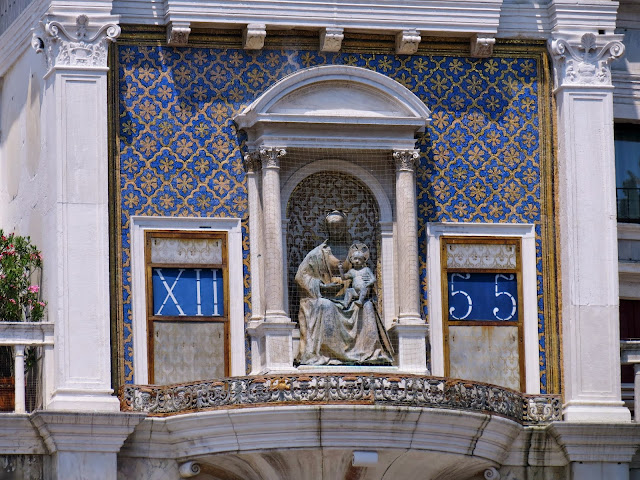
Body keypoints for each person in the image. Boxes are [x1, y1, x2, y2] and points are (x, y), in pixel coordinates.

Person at [295, 211, 393, 366]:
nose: (336, 230)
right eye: (332, 226)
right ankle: (330, 354)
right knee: (325, 305)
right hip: (327, 298)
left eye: (339, 226)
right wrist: (322, 286)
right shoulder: (317, 253)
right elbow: (301, 276)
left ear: (345, 227)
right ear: (327, 228)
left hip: (352, 297)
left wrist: (365, 282)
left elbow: (366, 276)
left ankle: (368, 354)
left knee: (367, 306)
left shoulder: (354, 252)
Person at [338, 243, 375, 309]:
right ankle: (345, 305)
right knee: (349, 290)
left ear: (363, 260)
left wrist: (368, 283)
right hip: (355, 291)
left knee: (364, 287)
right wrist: (340, 269)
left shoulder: (366, 269)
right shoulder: (352, 271)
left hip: (365, 291)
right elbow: (343, 278)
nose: (357, 261)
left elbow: (373, 279)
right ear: (351, 260)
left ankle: (360, 301)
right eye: (355, 259)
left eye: (360, 259)